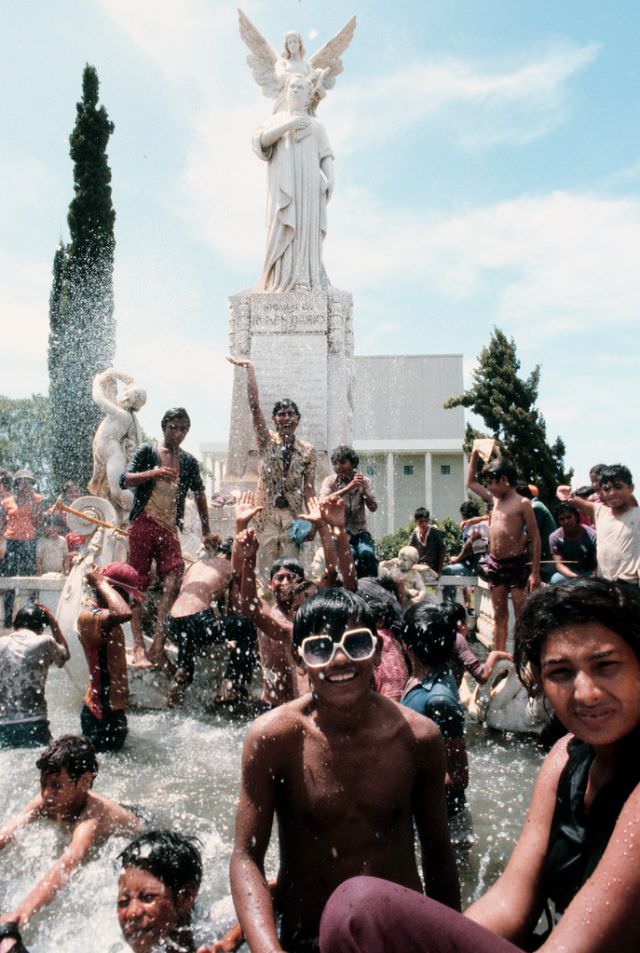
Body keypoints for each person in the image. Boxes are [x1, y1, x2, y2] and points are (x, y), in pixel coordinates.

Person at [318, 578, 640, 953]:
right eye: (561, 672)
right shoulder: (566, 756)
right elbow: (511, 903)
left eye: (606, 665)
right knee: (365, 913)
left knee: (359, 909)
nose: (586, 693)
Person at [230, 587, 460, 953]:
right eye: (320, 648)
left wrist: (449, 943)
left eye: (355, 644)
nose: (339, 660)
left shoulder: (418, 738)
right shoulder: (274, 739)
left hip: (395, 937)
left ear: (379, 649)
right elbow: (245, 857)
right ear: (299, 658)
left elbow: (438, 853)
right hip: (306, 938)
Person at [0, 735, 142, 928]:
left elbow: (71, 860)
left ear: (84, 781)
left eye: (56, 786)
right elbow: (7, 832)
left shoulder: (91, 817)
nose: (47, 794)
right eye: (44, 785)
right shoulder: (48, 800)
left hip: (140, 823)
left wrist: (22, 911)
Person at [120, 408, 217, 668]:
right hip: (143, 523)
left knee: (174, 580)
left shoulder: (187, 461)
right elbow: (124, 480)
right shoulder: (147, 452)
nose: (178, 433)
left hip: (168, 527)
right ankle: (139, 645)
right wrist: (153, 473)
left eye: (183, 429)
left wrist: (207, 530)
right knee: (136, 582)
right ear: (164, 427)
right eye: (173, 427)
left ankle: (158, 644)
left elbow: (200, 494)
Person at [226, 357, 316, 579]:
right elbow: (254, 407)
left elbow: (309, 488)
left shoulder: (307, 450)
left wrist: (313, 519)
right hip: (266, 515)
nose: (286, 418)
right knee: (267, 571)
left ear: (298, 419)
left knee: (292, 570)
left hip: (293, 515)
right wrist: (249, 368)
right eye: (281, 414)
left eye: (290, 413)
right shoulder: (267, 442)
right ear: (275, 420)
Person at [253, 73, 334, 292]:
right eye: (293, 87)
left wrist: (330, 177)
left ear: (308, 96)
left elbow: (325, 155)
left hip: (308, 185)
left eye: (301, 88)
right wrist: (286, 126)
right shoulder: (275, 120)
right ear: (286, 92)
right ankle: (278, 280)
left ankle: (304, 280)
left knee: (306, 229)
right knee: (282, 225)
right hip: (284, 184)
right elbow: (260, 142)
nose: (296, 91)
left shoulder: (317, 126)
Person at [400, 603, 471, 843]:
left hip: (445, 822)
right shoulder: (418, 679)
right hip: (423, 813)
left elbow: (459, 776)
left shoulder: (439, 699)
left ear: (405, 644)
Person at [164, 527, 257, 708]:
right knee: (247, 628)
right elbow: (234, 606)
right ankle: (230, 683)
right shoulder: (231, 567)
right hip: (198, 620)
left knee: (188, 634)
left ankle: (182, 672)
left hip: (172, 623)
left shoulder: (197, 564)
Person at [117, 830, 242, 953]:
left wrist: (231, 942)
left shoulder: (212, 925)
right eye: (123, 902)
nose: (132, 913)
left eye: (147, 898)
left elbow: (257, 903)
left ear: (185, 898)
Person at [466, 451, 541, 651]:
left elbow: (535, 538)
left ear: (505, 480)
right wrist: (474, 454)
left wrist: (535, 572)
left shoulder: (522, 503)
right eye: (487, 484)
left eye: (492, 483)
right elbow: (471, 483)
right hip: (495, 563)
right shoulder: (494, 500)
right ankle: (499, 657)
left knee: (521, 614)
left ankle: (524, 658)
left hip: (516, 563)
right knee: (499, 615)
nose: (489, 487)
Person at [77, 562, 143, 751]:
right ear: (111, 591)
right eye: (126, 595)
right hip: (100, 713)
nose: (129, 601)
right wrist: (101, 582)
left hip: (111, 710)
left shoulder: (105, 616)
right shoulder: (91, 615)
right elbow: (123, 612)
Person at [0, 603, 69, 747]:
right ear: (41, 628)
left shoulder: (1, 643)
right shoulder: (44, 642)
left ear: (15, 626)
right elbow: (64, 656)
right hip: (34, 723)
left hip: (3, 725)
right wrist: (54, 623)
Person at [562, 464, 640, 585]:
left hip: (631, 584)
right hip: (604, 583)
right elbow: (572, 499)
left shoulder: (637, 514)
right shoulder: (600, 511)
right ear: (601, 492)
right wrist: (564, 493)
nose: (612, 493)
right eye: (607, 489)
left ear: (631, 488)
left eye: (618, 487)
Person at [319, 445, 378, 577]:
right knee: (349, 556)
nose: (338, 467)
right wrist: (349, 488)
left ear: (353, 463)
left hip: (360, 531)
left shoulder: (364, 481)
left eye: (342, 463)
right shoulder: (330, 482)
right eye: (335, 464)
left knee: (367, 554)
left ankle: (371, 586)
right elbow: (323, 501)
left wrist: (364, 493)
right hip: (339, 532)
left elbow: (373, 507)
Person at [1, 471, 43, 628]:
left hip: (28, 540)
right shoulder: (7, 501)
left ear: (32, 484)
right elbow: (1, 523)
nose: (25, 486)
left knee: (29, 575)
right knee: (9, 577)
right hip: (11, 540)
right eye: (22, 482)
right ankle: (7, 617)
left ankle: (30, 615)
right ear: (16, 484)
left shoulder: (37, 499)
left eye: (29, 482)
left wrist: (38, 507)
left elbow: (39, 522)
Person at [548, 503, 597, 583]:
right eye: (562, 519)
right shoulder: (555, 537)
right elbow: (559, 564)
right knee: (555, 580)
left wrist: (593, 576)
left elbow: (598, 563)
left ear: (576, 517)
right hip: (570, 574)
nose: (566, 521)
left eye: (569, 517)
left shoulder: (592, 535)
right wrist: (575, 577)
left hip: (590, 572)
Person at [408, 508, 446, 579]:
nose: (424, 524)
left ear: (429, 521)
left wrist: (440, 571)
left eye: (426, 521)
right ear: (415, 522)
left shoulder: (433, 532)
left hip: (432, 568)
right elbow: (409, 550)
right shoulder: (415, 533)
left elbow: (442, 549)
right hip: (420, 567)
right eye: (421, 522)